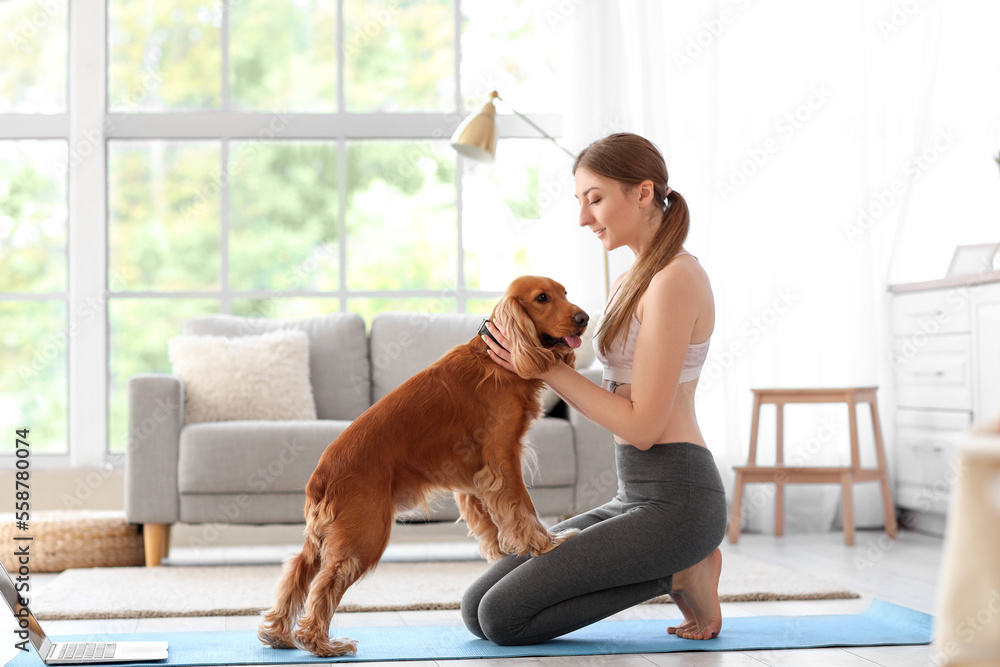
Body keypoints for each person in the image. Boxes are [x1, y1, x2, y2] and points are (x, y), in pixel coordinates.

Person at [464, 132, 727, 645]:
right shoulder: (631, 277)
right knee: (476, 608)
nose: (584, 218)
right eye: (581, 203)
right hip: (634, 495)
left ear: (643, 193)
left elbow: (644, 426)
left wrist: (544, 368)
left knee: (504, 619)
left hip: (679, 501)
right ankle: (676, 564)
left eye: (596, 199)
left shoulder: (675, 279)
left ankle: (682, 570)